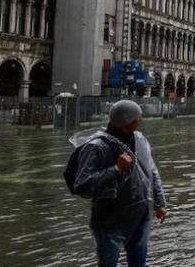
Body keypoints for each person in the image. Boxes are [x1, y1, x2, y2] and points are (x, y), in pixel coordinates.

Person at [72, 100, 167, 267]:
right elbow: (82, 185)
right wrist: (116, 169)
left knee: (138, 262)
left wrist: (159, 203)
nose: (141, 120)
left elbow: (151, 172)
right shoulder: (97, 147)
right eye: (138, 117)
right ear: (126, 122)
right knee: (108, 263)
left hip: (141, 213)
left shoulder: (140, 139)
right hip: (111, 217)